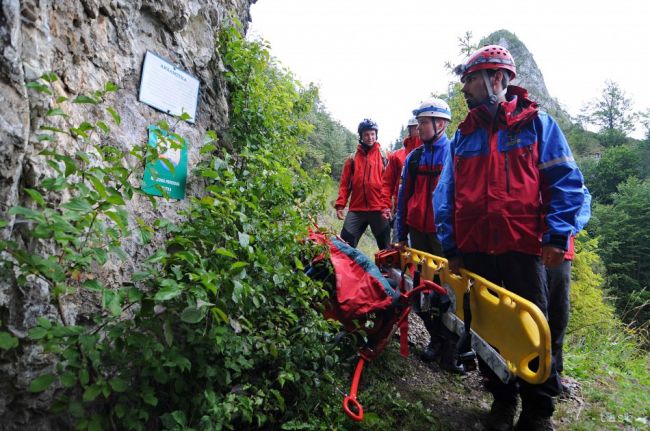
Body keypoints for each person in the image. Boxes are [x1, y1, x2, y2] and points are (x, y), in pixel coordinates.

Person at [434, 45, 585, 431]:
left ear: (496, 79)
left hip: (523, 250)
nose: (465, 87)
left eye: (470, 79)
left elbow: (566, 182)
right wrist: (450, 246)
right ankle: (502, 402)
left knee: (534, 331)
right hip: (476, 252)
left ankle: (537, 414)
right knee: (488, 328)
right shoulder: (462, 136)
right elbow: (446, 194)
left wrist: (555, 236)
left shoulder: (537, 125)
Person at [388, 99, 462, 372]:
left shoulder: (455, 153)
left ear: (440, 124)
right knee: (423, 287)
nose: (418, 128)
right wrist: (401, 234)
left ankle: (452, 350)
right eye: (418, 123)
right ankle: (435, 339)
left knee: (449, 292)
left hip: (444, 236)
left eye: (423, 123)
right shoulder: (414, 157)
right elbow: (404, 196)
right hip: (418, 234)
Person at [547, 187, 591, 383]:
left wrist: (568, 230)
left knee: (557, 311)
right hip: (524, 247)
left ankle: (553, 372)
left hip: (560, 250)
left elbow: (583, 197)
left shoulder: (563, 163)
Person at [335, 118, 390, 250]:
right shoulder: (352, 159)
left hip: (379, 209)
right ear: (361, 136)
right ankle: (345, 271)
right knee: (344, 247)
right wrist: (340, 205)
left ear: (376, 135)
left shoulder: (385, 157)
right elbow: (344, 184)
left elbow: (390, 184)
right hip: (356, 210)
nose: (370, 137)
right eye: (366, 134)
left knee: (387, 252)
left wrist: (388, 206)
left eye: (372, 134)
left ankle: (384, 271)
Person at [381, 116, 422, 242]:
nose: (419, 129)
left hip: (424, 212)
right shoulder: (397, 156)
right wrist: (385, 206)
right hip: (401, 209)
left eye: (420, 125)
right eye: (415, 127)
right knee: (398, 249)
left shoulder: (432, 152)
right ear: (409, 130)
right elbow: (387, 183)